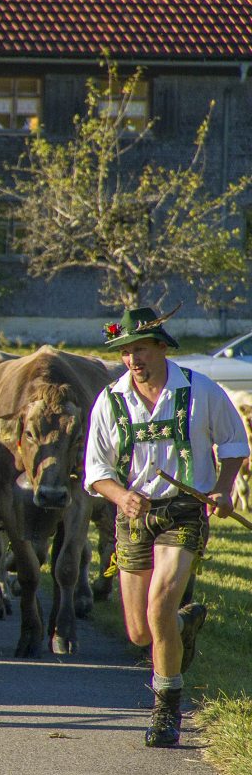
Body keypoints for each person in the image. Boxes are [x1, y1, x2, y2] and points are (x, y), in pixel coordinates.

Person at [84, 306, 248, 748]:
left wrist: (222, 486)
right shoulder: (111, 401)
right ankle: (180, 624)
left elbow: (235, 442)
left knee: (157, 607)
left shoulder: (199, 390)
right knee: (140, 632)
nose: (132, 360)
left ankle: (166, 711)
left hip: (184, 510)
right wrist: (121, 496)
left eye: (140, 349)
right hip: (134, 517)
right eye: (124, 352)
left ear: (161, 347)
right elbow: (96, 471)